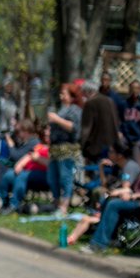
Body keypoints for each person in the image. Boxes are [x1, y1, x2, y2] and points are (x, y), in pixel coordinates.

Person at [81, 148, 140, 253]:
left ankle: (98, 245)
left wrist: (132, 195)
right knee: (110, 200)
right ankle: (111, 238)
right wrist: (124, 192)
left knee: (114, 204)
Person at [47, 83, 83, 214]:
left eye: (64, 94)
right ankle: (56, 203)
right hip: (55, 149)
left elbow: (74, 128)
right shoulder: (61, 108)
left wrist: (56, 119)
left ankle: (64, 206)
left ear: (72, 96)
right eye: (61, 94)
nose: (61, 96)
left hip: (67, 149)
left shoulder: (75, 110)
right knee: (52, 177)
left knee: (65, 177)